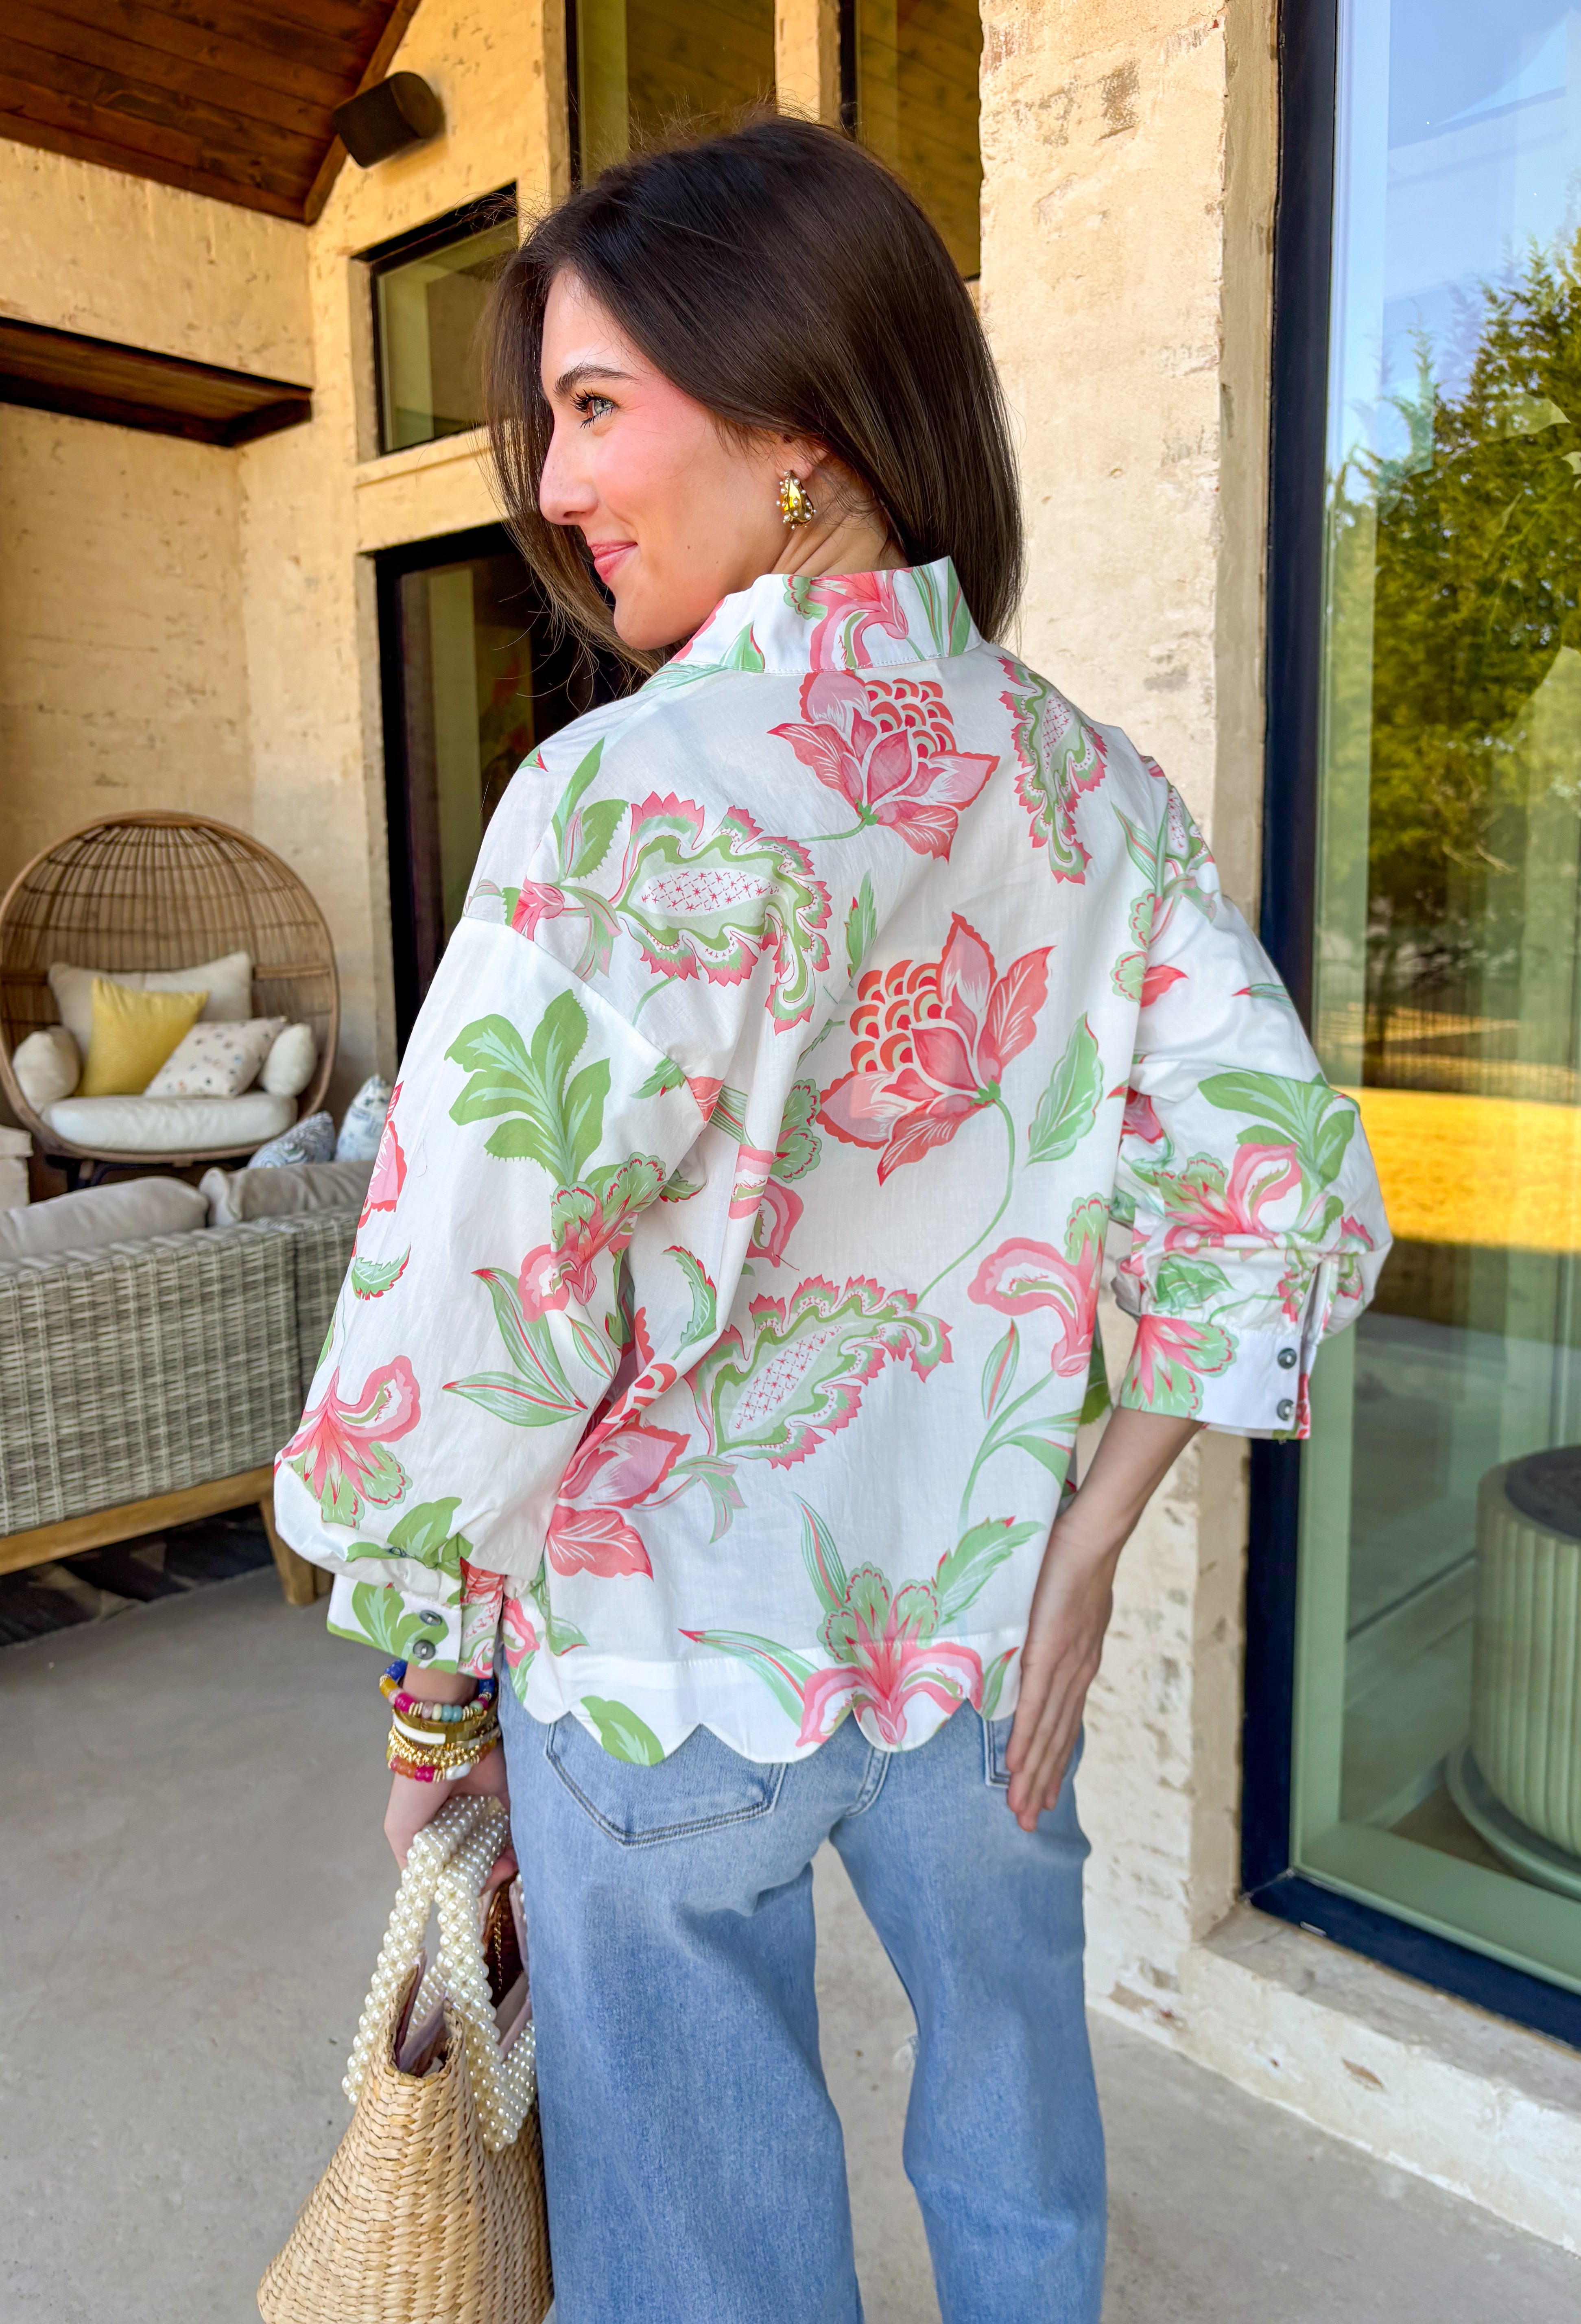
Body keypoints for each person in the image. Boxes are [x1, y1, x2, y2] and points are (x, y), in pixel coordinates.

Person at [276, 116, 1389, 2324]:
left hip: (664, 1665)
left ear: (799, 411)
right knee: (1019, 2148)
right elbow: (1277, 1170)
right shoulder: (1091, 786)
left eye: (596, 409)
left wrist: (432, 1716)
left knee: (703, 2255)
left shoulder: (621, 799)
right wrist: (1086, 1537)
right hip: (990, 1654)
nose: (554, 489)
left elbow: (476, 1306)